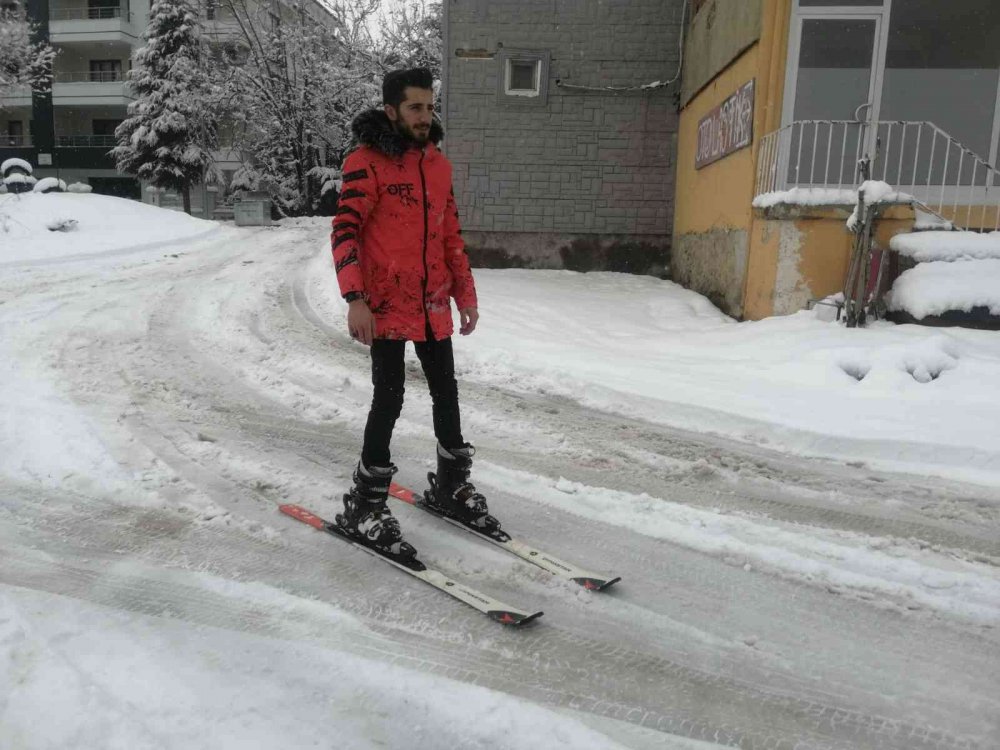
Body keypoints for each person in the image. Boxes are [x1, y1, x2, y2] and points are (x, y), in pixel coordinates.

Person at [330, 67, 501, 560]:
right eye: (415, 108)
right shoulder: (366, 163)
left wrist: (465, 295)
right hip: (384, 305)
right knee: (389, 400)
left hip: (432, 306)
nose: (426, 117)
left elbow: (450, 238)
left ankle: (451, 485)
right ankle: (366, 502)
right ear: (392, 111)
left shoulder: (438, 166)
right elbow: (344, 232)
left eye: (430, 106)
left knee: (446, 394)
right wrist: (355, 298)